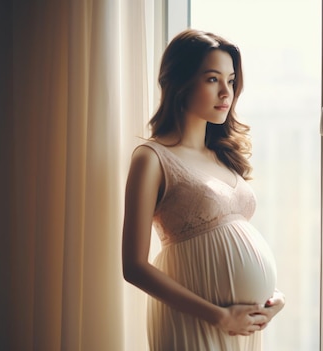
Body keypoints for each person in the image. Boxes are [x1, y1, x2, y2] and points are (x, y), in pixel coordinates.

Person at [122, 29, 285, 351]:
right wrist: (219, 316)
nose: (226, 92)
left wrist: (271, 298)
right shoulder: (152, 158)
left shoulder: (223, 157)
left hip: (244, 325)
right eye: (212, 79)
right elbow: (134, 267)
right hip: (196, 321)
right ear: (180, 84)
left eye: (231, 79)